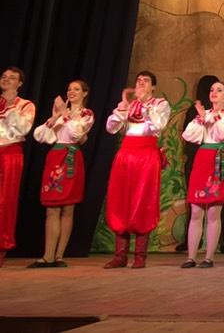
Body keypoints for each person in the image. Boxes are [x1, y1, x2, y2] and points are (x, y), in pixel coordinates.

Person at [103, 71, 170, 269]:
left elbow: (157, 127)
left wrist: (146, 108)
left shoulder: (160, 104)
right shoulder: (129, 105)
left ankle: (140, 255)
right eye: (138, 80)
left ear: (153, 87)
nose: (140, 83)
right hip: (126, 155)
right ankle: (120, 255)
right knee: (121, 200)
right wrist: (122, 109)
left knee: (143, 201)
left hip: (146, 155)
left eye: (145, 81)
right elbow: (111, 128)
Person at [29, 80, 94, 268]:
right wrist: (55, 116)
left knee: (68, 208)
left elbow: (76, 134)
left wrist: (65, 115)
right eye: (69, 89)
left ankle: (59, 256)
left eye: (76, 89)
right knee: (52, 207)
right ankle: (48, 255)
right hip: (55, 156)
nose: (71, 92)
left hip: (71, 157)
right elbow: (41, 136)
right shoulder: (60, 113)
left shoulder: (86, 114)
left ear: (84, 93)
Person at [180, 81, 224, 269]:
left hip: (219, 157)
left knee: (214, 211)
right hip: (202, 158)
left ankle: (208, 257)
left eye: (219, 90)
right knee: (196, 210)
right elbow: (189, 135)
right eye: (212, 90)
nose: (214, 92)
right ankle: (191, 257)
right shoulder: (203, 114)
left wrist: (211, 118)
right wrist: (202, 118)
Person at [0, 67, 36, 267]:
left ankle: (2, 245)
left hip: (10, 153)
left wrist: (11, 105)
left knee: (5, 201)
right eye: (4, 77)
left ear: (20, 83)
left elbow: (22, 129)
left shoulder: (25, 105)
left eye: (12, 78)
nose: (6, 80)